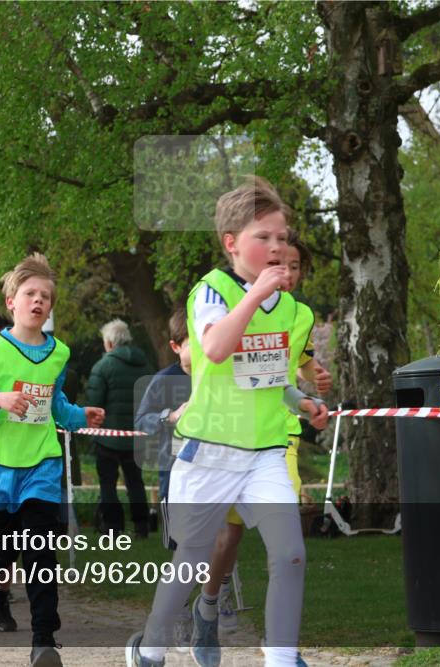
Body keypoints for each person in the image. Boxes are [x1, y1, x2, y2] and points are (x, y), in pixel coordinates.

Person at [125, 177, 329, 667]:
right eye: (264, 237)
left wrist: (302, 402)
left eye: (283, 237)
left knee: (291, 554)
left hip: (264, 455)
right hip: (208, 453)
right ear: (232, 243)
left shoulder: (297, 313)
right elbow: (216, 349)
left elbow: (265, 375)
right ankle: (149, 648)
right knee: (193, 562)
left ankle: (281, 660)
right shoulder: (210, 292)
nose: (278, 247)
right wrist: (255, 295)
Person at [0, 253, 105, 667]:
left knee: (40, 550)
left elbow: (55, 404)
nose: (38, 301)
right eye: (30, 294)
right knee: (1, 551)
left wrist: (80, 416)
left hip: (42, 463)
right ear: (12, 302)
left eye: (45, 297)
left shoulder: (59, 353)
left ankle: (45, 641)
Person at [200, 228, 334, 637]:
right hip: (233, 439)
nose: (286, 272)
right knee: (228, 537)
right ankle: (207, 609)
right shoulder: (237, 308)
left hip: (279, 440)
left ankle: (284, 649)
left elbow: (299, 362)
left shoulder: (299, 315)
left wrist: (313, 385)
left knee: (287, 546)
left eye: (294, 267)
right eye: (278, 264)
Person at [133, 307, 193, 650]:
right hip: (176, 474)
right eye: (191, 343)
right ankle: (182, 613)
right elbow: (141, 420)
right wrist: (169, 415)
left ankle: (212, 603)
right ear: (175, 346)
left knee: (215, 542)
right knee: (182, 547)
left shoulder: (218, 376)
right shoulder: (164, 380)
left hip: (216, 473)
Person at [85, 319, 154, 537]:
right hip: (137, 435)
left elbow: (94, 404)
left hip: (109, 437)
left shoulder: (103, 366)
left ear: (109, 343)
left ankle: (113, 528)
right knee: (136, 482)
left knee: (108, 482)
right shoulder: (145, 364)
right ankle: (142, 526)